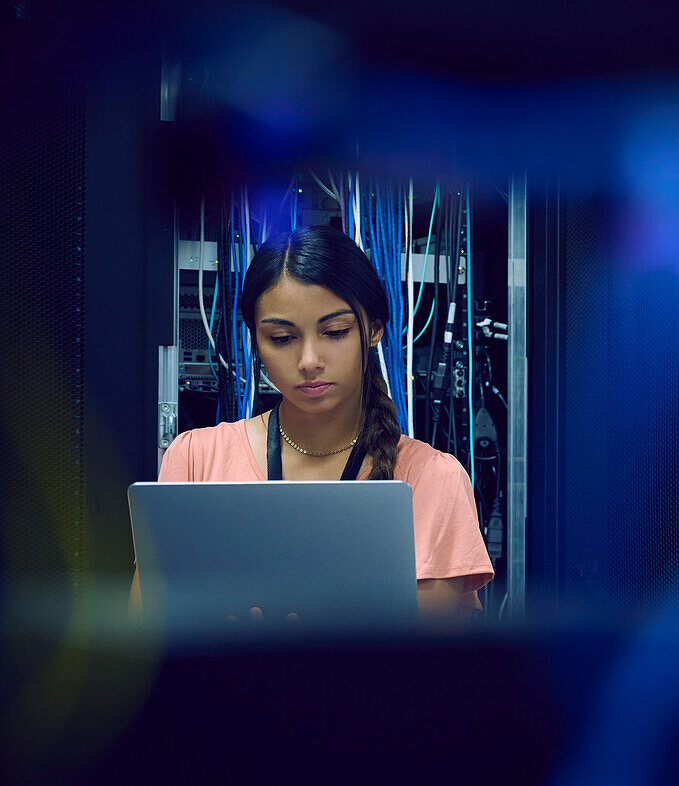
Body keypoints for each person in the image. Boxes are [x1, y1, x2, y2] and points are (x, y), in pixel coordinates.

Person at [130, 225, 493, 620]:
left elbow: (419, 665)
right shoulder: (195, 459)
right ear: (255, 340)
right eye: (282, 338)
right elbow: (145, 632)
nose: (308, 361)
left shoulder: (430, 479)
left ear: (373, 328)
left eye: (334, 332)